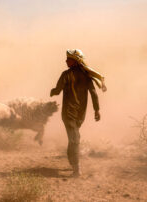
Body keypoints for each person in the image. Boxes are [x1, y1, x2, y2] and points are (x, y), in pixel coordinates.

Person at [50, 49, 105, 177]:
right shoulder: (86, 76)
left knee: (74, 138)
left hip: (76, 114)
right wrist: (97, 110)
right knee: (75, 138)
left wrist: (52, 91)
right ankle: (76, 169)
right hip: (71, 114)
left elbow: (58, 90)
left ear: (76, 61)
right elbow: (93, 93)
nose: (66, 61)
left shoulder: (66, 75)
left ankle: (72, 162)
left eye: (68, 59)